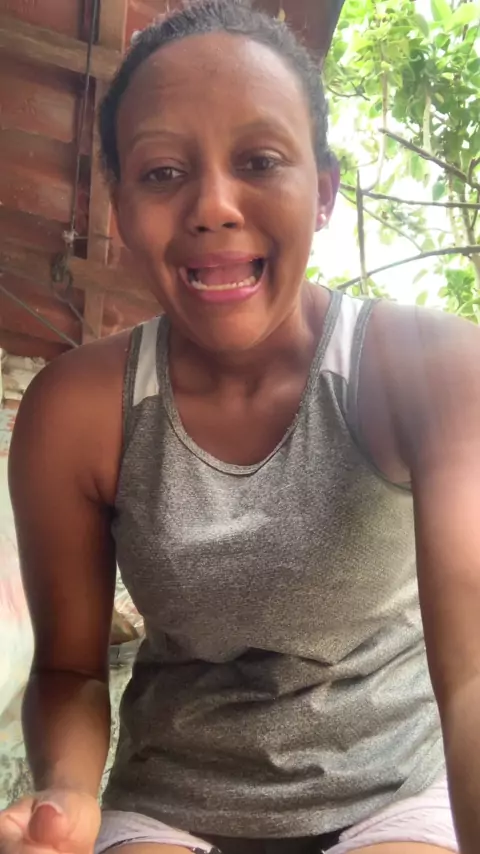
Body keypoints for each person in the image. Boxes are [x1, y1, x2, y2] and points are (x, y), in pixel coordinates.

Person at [0, 1, 479, 853]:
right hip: (172, 801)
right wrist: (66, 798)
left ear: (323, 192)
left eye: (259, 160)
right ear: (119, 206)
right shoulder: (76, 413)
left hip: (394, 793)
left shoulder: (427, 367)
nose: (213, 206)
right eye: (162, 172)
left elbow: (473, 674)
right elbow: (71, 669)